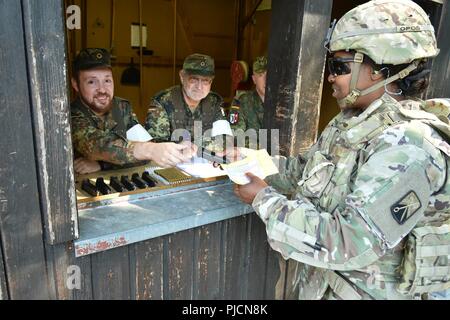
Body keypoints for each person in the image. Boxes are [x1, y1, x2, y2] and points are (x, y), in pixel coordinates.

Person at [234, 0, 450, 300]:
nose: (330, 76)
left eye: (339, 66)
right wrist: (252, 164)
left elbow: (351, 242)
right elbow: (302, 171)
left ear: (377, 69)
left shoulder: (410, 146)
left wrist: (263, 200)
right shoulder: (352, 121)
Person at [71, 48, 195, 175]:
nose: (102, 89)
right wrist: (150, 151)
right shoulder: (70, 115)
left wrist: (177, 148)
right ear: (75, 84)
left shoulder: (121, 107)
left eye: (107, 80)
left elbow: (145, 150)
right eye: (91, 82)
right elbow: (96, 145)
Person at [145, 53, 226, 142]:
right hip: (173, 155)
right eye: (193, 79)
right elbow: (156, 145)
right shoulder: (163, 101)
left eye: (205, 81)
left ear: (211, 81)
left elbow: (223, 139)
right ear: (182, 76)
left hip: (206, 155)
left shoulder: (215, 102)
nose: (199, 87)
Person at [230, 56, 267, 131]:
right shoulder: (240, 102)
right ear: (254, 79)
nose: (266, 80)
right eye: (261, 75)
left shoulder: (283, 103)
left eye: (269, 75)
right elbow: (236, 135)